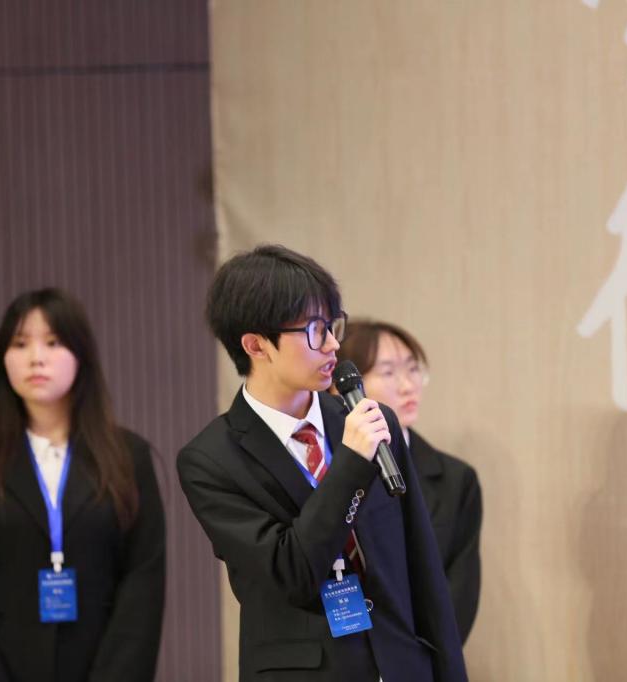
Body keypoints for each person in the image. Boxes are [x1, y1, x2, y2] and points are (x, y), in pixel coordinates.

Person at [177, 245, 467, 682]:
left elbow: (424, 571)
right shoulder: (210, 460)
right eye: (314, 330)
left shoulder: (370, 419)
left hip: (401, 664)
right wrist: (350, 464)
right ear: (256, 345)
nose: (333, 344)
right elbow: (292, 572)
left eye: (333, 325)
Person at [0, 288, 166, 682]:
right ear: (3, 358)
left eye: (53, 342)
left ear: (81, 354)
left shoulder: (129, 458)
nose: (36, 358)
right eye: (20, 344)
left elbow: (142, 587)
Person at [338, 320, 482, 643]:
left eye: (413, 369)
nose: (408, 386)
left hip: (421, 653)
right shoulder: (322, 467)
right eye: (388, 372)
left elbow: (459, 593)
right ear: (345, 388)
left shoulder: (456, 479)